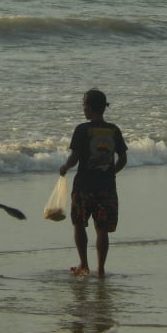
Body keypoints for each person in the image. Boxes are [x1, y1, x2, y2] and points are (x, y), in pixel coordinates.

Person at [58, 89, 128, 278]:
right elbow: (123, 158)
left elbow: (75, 157)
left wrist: (65, 166)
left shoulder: (82, 130)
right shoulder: (113, 130)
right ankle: (101, 269)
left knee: (79, 224)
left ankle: (84, 264)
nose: (83, 110)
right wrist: (111, 172)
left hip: (83, 187)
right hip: (106, 187)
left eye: (84, 106)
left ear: (89, 107)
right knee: (102, 229)